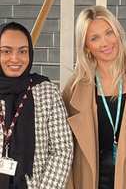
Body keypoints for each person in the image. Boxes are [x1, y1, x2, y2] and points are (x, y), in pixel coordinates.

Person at [62, 6, 126, 189]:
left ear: (118, 33)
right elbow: (65, 149)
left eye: (109, 32)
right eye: (94, 38)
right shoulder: (73, 88)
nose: (105, 43)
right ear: (86, 46)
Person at [0, 22, 73, 189]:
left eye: (22, 51)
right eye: (6, 51)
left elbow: (62, 149)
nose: (15, 58)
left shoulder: (46, 91)